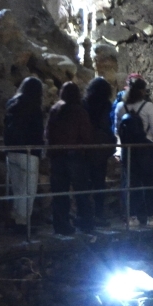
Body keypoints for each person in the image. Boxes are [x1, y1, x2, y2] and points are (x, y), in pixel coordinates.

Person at [44, 81, 96, 236]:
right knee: (81, 191)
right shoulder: (79, 111)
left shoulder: (55, 109)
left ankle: (61, 225)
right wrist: (87, 151)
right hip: (75, 155)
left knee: (60, 193)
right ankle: (85, 222)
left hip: (57, 156)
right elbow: (86, 135)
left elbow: (48, 133)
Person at [114, 74, 153, 226]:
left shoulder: (120, 106)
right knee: (148, 182)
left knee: (130, 183)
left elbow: (117, 131)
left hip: (128, 149)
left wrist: (118, 151)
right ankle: (151, 216)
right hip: (145, 149)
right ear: (142, 91)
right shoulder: (147, 106)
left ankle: (131, 217)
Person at [2, 76, 45, 229]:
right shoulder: (34, 107)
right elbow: (38, 132)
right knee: (28, 190)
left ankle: (15, 218)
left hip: (11, 151)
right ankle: (22, 223)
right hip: (28, 153)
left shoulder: (12, 104)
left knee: (17, 189)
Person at [82, 76, 116, 222]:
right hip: (100, 149)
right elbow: (108, 125)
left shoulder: (84, 104)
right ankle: (99, 215)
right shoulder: (106, 105)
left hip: (86, 147)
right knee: (99, 183)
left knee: (85, 184)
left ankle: (85, 216)